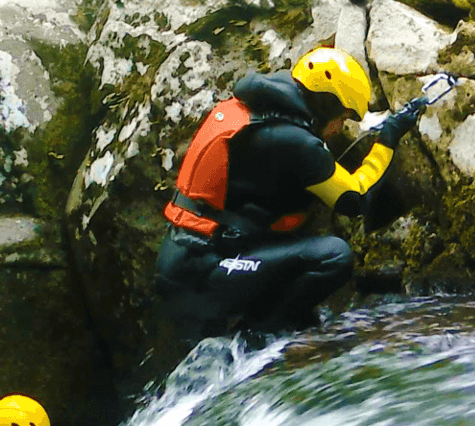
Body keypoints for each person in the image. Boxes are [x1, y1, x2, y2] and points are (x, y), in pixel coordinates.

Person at [157, 45, 430, 337]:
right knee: (334, 255)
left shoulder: (254, 109)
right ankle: (256, 339)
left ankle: (265, 331)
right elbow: (355, 198)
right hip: (204, 272)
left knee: (299, 263)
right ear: (326, 105)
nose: (340, 128)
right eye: (344, 116)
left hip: (185, 261)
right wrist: (388, 140)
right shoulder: (295, 141)